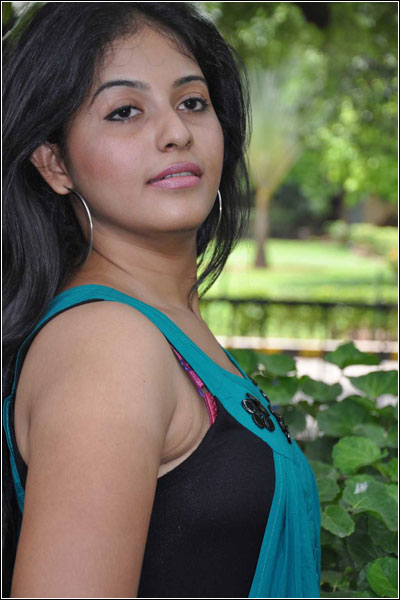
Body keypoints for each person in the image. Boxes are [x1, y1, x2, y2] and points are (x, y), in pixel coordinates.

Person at [2, 3, 321, 598]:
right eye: (124, 111)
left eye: (192, 101)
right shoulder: (107, 344)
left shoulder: (162, 322)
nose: (176, 131)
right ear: (54, 163)